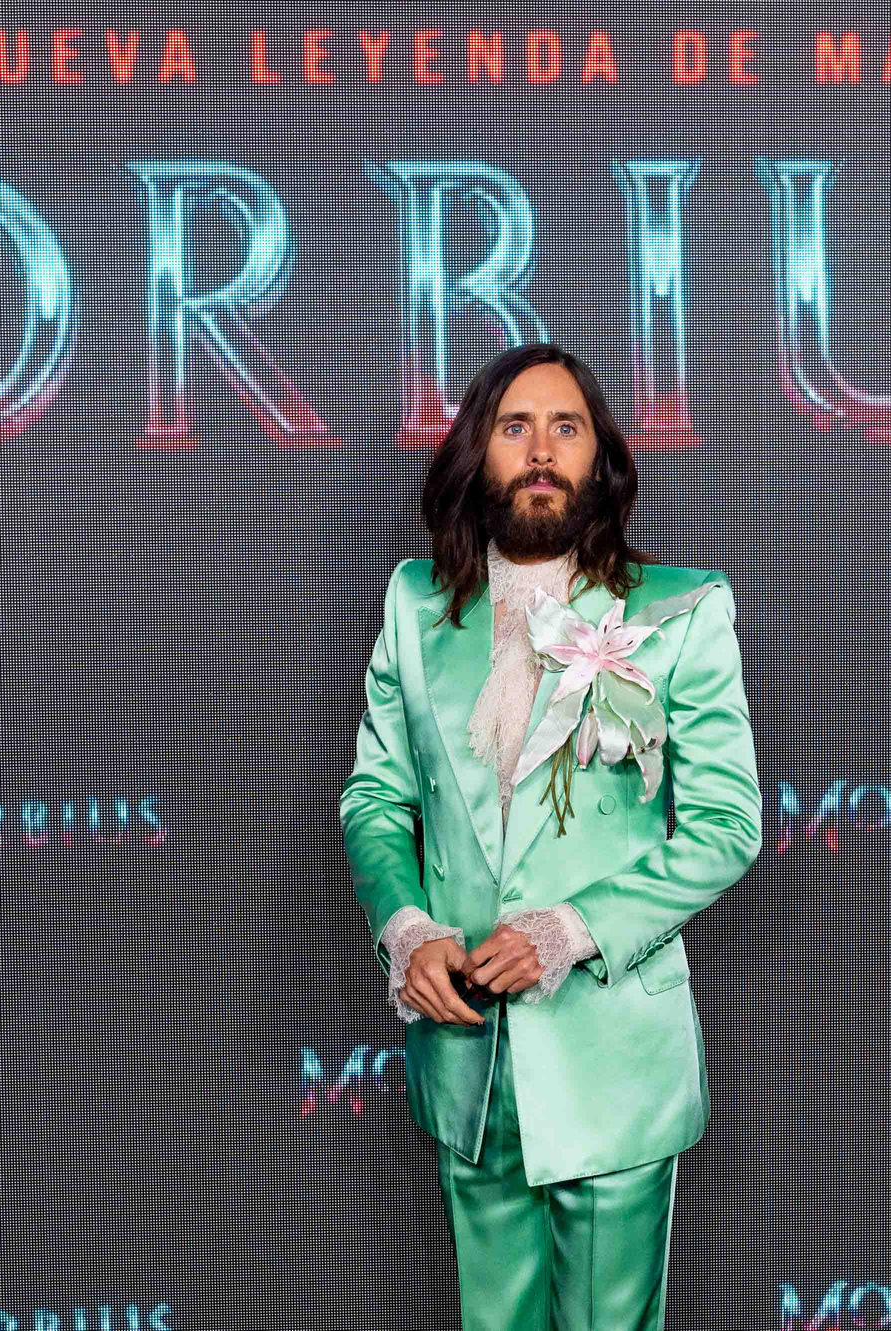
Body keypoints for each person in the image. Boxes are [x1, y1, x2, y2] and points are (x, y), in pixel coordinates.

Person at [340, 342, 762, 1330]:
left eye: (563, 427)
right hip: (465, 1062)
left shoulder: (678, 611)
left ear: (599, 458)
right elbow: (373, 797)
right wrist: (405, 930)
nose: (539, 449)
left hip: (612, 1055)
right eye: (513, 426)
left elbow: (723, 823)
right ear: (475, 456)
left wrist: (575, 925)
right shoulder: (413, 608)